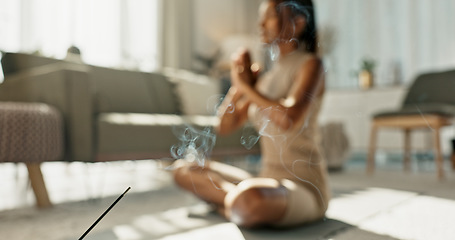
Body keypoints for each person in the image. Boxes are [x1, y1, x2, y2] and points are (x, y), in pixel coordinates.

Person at [173, 0, 330, 228]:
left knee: (250, 198)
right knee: (183, 170)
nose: (260, 23)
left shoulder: (312, 65)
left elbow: (288, 118)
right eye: (260, 17)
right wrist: (239, 88)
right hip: (264, 182)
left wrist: (247, 88)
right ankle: (237, 206)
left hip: (303, 187)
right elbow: (224, 127)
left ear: (297, 22)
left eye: (269, 16)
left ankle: (234, 205)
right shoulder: (265, 79)